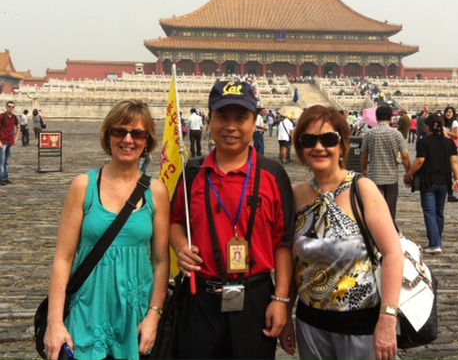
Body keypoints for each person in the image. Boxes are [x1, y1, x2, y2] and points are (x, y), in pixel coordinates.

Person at [169, 79, 295, 359]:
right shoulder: (193, 173)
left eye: (241, 117)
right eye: (222, 117)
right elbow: (176, 221)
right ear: (209, 120)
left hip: (255, 298)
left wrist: (281, 299)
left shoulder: (272, 175)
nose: (231, 126)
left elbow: (284, 243)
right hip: (199, 297)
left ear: (255, 122)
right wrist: (180, 247)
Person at [43, 99, 169, 360]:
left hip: (136, 315)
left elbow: (161, 261)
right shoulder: (83, 185)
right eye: (119, 131)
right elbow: (63, 258)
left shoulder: (157, 191)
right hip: (87, 311)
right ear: (108, 135)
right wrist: (54, 323)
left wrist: (154, 317)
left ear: (147, 142)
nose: (127, 139)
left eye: (137, 133)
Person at [280, 105, 403, 360]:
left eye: (328, 139)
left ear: (342, 144)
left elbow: (393, 253)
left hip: (360, 326)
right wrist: (286, 313)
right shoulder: (296, 195)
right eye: (309, 140)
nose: (319, 147)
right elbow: (294, 265)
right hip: (311, 324)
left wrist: (388, 318)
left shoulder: (363, 189)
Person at [404, 112, 458, 254]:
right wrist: (457, 178)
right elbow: (454, 162)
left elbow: (420, 161)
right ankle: (437, 240)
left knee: (429, 212)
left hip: (428, 180)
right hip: (444, 181)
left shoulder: (423, 142)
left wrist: (408, 174)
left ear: (428, 127)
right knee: (439, 212)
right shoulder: (449, 143)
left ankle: (435, 243)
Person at [360, 105, 411, 221]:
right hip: (391, 176)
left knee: (374, 207)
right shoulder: (396, 134)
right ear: (391, 117)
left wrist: (363, 169)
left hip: (374, 176)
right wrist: (409, 172)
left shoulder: (369, 133)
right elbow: (405, 155)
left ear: (376, 117)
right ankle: (390, 228)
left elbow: (364, 155)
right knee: (390, 207)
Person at [442, 106, 458, 202]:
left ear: (453, 113)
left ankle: (450, 193)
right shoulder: (444, 122)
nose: (448, 113)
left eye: (449, 112)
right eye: (446, 112)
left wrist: (446, 132)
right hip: (443, 146)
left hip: (449, 146)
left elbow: (457, 135)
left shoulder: (454, 123)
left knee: (449, 169)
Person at [0, 101, 21, 185]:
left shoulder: (14, 117)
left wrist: (16, 138)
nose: (11, 108)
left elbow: (19, 127)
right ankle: (1, 178)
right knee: (1, 161)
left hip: (10, 141)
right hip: (3, 141)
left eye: (12, 107)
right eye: (9, 106)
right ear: (6, 107)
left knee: (7, 161)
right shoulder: (2, 116)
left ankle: (5, 177)